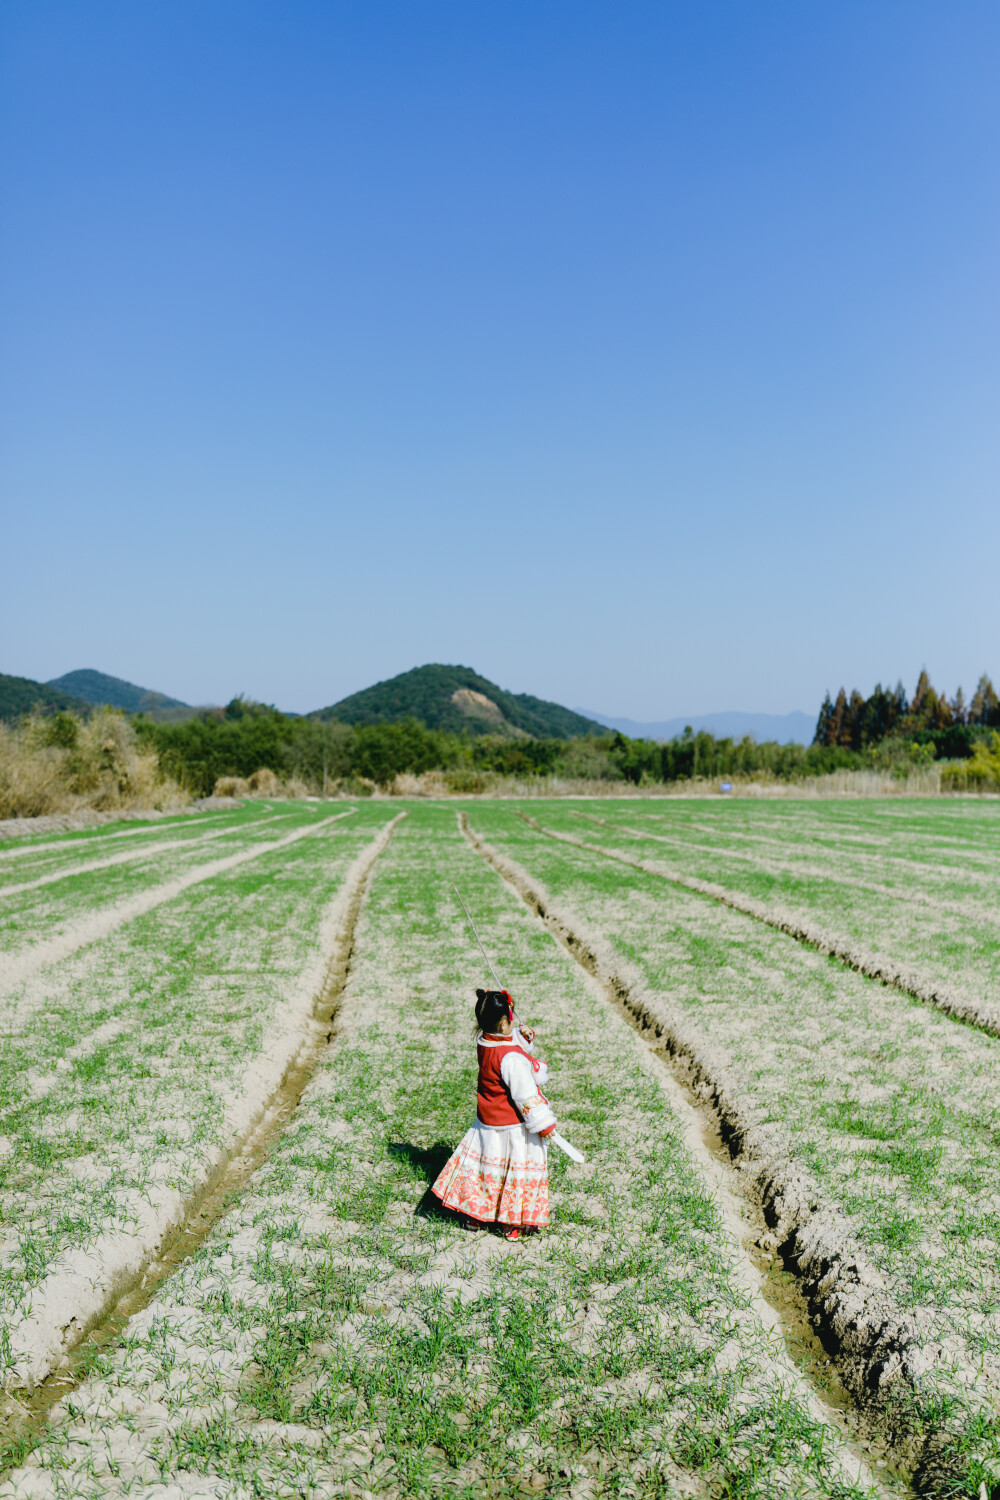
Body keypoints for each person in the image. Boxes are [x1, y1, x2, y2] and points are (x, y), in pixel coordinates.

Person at [431, 988, 557, 1240]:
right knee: (513, 1174)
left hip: (487, 1122)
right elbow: (525, 1094)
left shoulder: (485, 1042)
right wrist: (543, 1122)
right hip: (512, 1127)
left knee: (487, 1170)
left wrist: (522, 1040)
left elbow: (507, 1045)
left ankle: (475, 1214)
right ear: (504, 1022)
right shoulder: (511, 1059)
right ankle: (511, 1223)